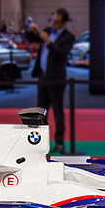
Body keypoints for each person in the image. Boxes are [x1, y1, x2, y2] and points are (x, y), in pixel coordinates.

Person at [26, 8, 76, 154]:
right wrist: (31, 30)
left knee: (58, 112)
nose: (53, 24)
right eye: (52, 20)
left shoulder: (69, 37)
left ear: (64, 23)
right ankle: (40, 142)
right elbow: (32, 38)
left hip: (56, 79)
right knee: (40, 112)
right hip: (43, 77)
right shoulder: (47, 30)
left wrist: (48, 42)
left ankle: (59, 143)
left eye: (57, 22)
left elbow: (61, 54)